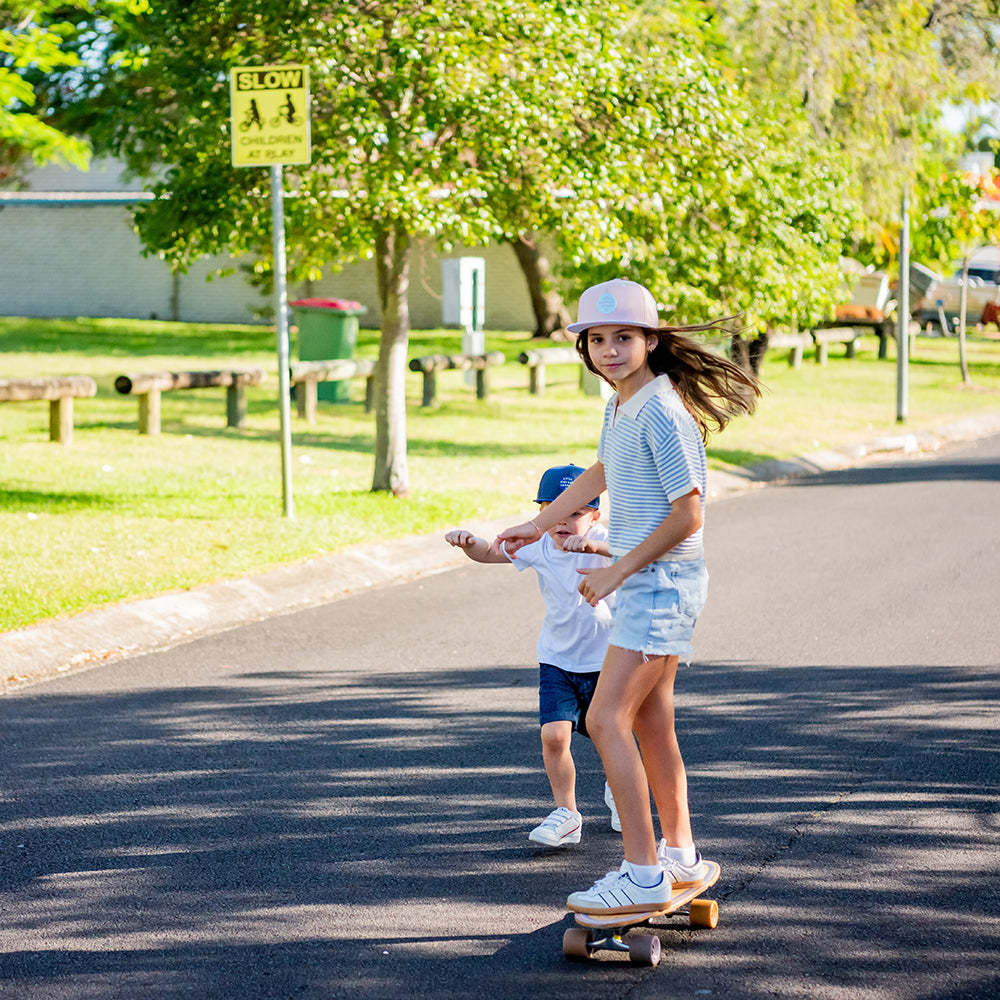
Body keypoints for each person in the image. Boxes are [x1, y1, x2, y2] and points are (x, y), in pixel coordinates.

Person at [493, 278, 760, 915]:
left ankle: (641, 872)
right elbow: (603, 471)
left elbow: (688, 516)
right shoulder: (623, 403)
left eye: (624, 337)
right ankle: (680, 856)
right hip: (652, 579)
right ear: (584, 347)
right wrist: (536, 523)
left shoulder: (664, 412)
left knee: (603, 718)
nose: (610, 349)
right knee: (651, 722)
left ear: (650, 340)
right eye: (597, 339)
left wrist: (615, 570)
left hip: (660, 583)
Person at [445, 464, 621, 847]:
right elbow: (493, 554)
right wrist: (469, 542)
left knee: (611, 739)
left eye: (574, 512)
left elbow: (638, 553)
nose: (562, 521)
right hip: (557, 660)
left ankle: (619, 791)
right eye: (552, 510)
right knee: (554, 737)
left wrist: (596, 547)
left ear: (594, 515)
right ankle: (567, 813)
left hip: (606, 661)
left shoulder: (607, 540)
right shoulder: (539, 546)